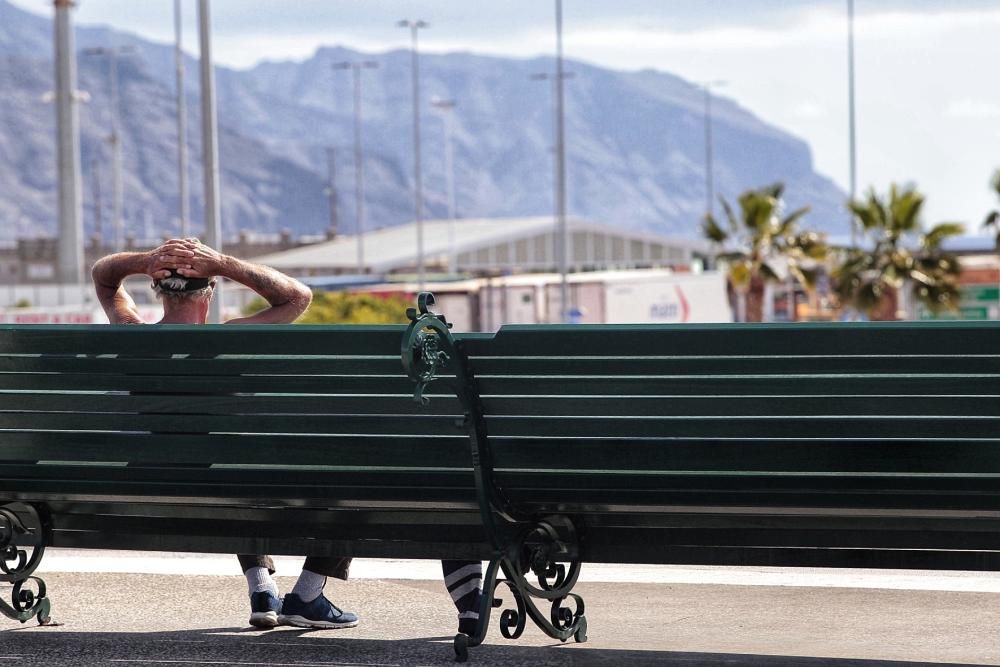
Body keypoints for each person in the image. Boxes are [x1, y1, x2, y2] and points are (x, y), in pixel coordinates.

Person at [91, 237, 358, 630]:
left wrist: (147, 259)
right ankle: (307, 594)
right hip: (233, 485)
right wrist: (223, 263)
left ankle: (263, 588)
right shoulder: (231, 340)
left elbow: (103, 277)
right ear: (210, 291)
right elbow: (297, 297)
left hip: (148, 486)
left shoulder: (132, 335)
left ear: (156, 288)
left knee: (224, 467)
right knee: (345, 477)